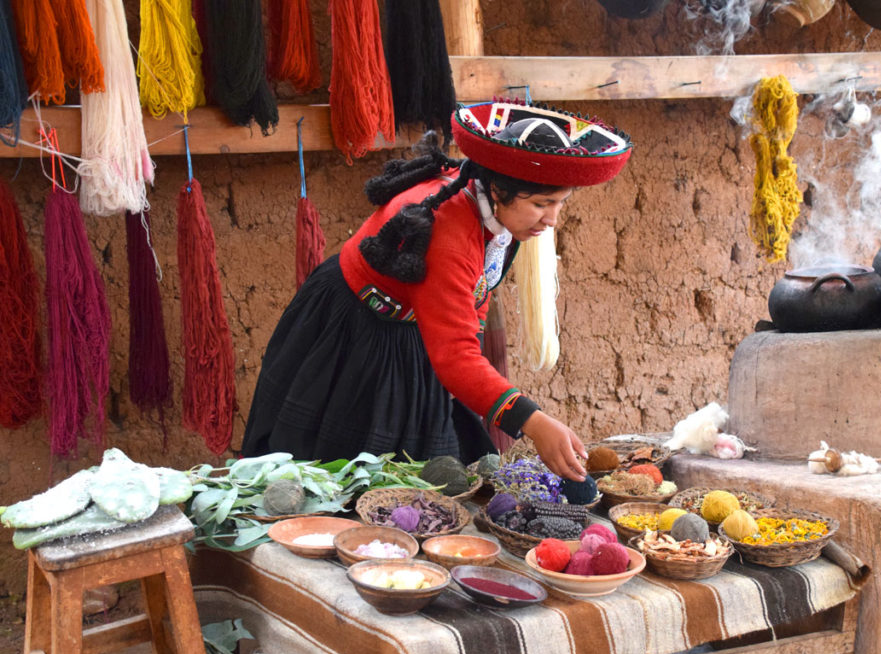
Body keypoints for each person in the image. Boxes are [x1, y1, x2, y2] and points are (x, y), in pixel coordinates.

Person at [241, 100, 632, 481]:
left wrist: (468, 354)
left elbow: (475, 296)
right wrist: (533, 423)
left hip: (412, 324)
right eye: (541, 204)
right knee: (343, 474)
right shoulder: (447, 234)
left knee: (420, 463)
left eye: (560, 203)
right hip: (353, 330)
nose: (551, 219)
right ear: (498, 191)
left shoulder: (499, 212)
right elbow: (456, 355)